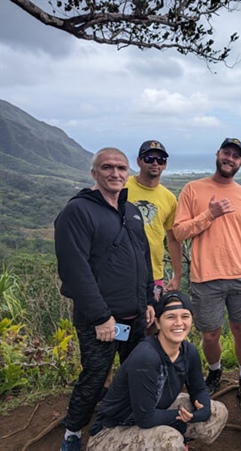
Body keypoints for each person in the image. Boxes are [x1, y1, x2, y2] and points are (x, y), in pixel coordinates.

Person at [54, 147, 155, 451]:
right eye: (107, 167)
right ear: (94, 173)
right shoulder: (78, 211)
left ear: (128, 173)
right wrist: (100, 317)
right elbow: (74, 271)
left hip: (135, 316)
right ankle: (73, 432)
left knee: (135, 371)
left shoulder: (132, 211)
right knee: (95, 378)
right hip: (101, 321)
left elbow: (143, 259)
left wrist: (149, 302)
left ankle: (121, 418)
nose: (115, 173)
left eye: (121, 168)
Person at [172, 138, 241, 414]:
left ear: (240, 162)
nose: (230, 158)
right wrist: (208, 215)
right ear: (218, 154)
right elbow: (179, 232)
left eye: (236, 156)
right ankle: (215, 371)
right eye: (226, 153)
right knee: (210, 334)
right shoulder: (193, 189)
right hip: (205, 277)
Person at [88, 292, 228, 450]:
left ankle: (173, 440)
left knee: (217, 412)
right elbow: (145, 418)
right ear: (158, 323)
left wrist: (201, 412)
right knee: (169, 441)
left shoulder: (188, 351)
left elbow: (199, 389)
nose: (179, 323)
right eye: (170, 317)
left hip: (154, 413)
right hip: (112, 432)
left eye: (185, 316)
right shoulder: (146, 357)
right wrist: (182, 418)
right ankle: (169, 442)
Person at [125, 140, 182, 295]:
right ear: (139, 161)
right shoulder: (122, 186)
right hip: (122, 269)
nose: (155, 163)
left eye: (160, 159)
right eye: (149, 158)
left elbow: (173, 239)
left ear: (165, 164)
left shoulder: (169, 198)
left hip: (154, 273)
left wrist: (177, 275)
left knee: (152, 317)